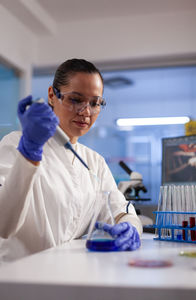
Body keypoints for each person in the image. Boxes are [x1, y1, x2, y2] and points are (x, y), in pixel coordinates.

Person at [0, 59, 142, 262]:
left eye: (94, 103)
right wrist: (29, 153)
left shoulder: (95, 162)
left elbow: (120, 211)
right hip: (20, 280)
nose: (85, 112)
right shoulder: (16, 144)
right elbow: (3, 224)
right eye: (75, 99)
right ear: (52, 95)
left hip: (68, 277)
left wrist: (131, 228)